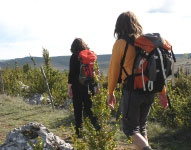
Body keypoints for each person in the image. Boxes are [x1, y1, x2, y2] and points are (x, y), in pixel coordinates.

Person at [106, 11, 168, 150]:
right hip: (150, 89)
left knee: (130, 130)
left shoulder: (121, 43)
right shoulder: (146, 43)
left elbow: (113, 70)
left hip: (132, 91)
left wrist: (110, 92)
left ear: (119, 26)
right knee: (141, 126)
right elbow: (159, 71)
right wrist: (162, 93)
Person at [67, 38, 100, 137]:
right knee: (89, 108)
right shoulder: (90, 56)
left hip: (77, 86)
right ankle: (98, 127)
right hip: (89, 86)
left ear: (73, 47)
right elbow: (95, 73)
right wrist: (96, 85)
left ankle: (79, 132)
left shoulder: (74, 57)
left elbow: (72, 74)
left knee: (78, 109)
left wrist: (69, 88)